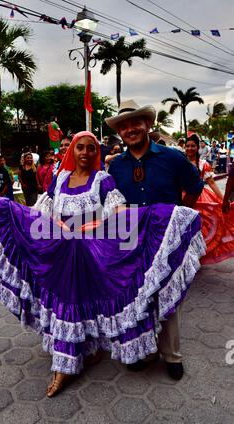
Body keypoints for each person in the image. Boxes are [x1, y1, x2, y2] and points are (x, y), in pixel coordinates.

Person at [0, 131, 205, 398]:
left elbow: (120, 212)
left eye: (90, 148)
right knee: (68, 301)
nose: (85, 153)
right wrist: (55, 224)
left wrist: (98, 224)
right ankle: (69, 360)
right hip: (62, 250)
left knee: (85, 298)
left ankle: (85, 356)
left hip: (92, 251)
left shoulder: (103, 179)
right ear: (72, 151)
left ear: (96, 152)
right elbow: (43, 209)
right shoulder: (60, 179)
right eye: (80, 148)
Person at [106, 99, 205, 380]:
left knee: (168, 296)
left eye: (135, 123)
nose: (130, 129)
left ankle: (172, 356)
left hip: (165, 241)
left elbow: (194, 188)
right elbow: (112, 204)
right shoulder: (116, 167)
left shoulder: (173, 158)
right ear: (120, 133)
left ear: (147, 125)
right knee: (138, 297)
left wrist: (179, 218)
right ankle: (145, 351)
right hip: (130, 242)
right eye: (123, 126)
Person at [185, 133, 234, 264]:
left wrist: (224, 199)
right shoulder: (179, 161)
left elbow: (211, 182)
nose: (190, 148)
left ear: (197, 147)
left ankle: (196, 256)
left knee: (200, 228)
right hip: (182, 198)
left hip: (200, 197)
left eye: (193, 146)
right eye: (187, 146)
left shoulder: (203, 163)